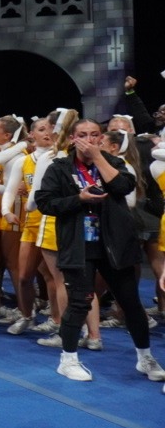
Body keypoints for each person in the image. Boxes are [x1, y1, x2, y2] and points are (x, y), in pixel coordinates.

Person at [35, 119, 165, 386]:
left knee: (130, 303)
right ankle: (68, 360)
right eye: (82, 135)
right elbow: (45, 203)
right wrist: (78, 199)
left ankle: (145, 357)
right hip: (79, 244)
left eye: (95, 135)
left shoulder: (116, 164)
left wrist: (98, 157)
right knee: (80, 302)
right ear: (72, 138)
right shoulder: (59, 168)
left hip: (114, 245)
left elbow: (123, 187)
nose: (89, 140)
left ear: (101, 138)